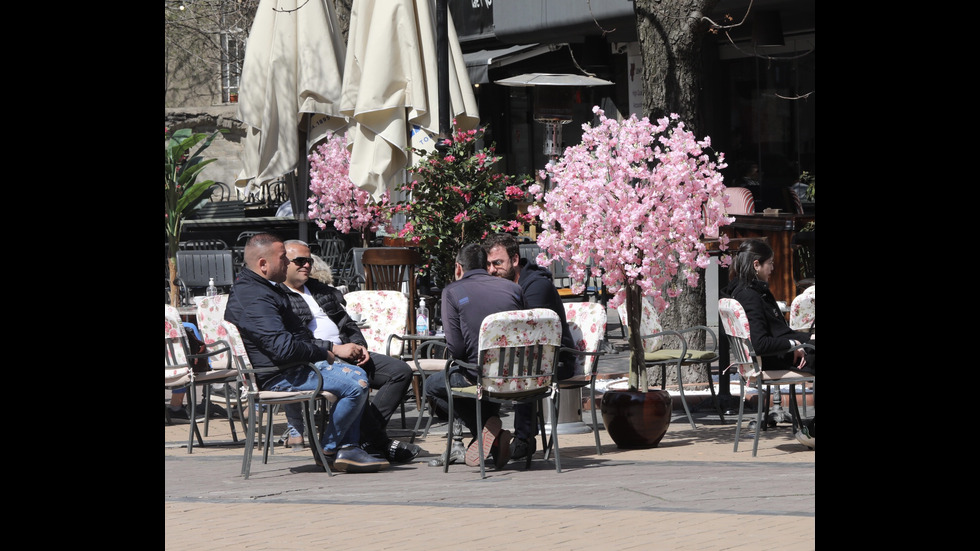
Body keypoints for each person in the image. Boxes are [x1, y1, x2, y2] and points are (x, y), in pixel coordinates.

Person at [223, 232, 389, 473]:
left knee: (356, 374)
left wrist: (326, 349)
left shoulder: (267, 289)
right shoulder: (254, 297)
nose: (287, 263)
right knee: (356, 383)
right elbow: (282, 347)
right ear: (263, 264)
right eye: (283, 258)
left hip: (293, 367)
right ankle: (331, 449)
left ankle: (349, 448)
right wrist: (326, 351)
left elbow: (299, 334)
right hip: (278, 375)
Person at [278, 240, 420, 464]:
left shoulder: (321, 290)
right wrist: (335, 350)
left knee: (400, 370)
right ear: (284, 263)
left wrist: (358, 344)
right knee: (355, 381)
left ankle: (367, 438)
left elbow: (348, 323)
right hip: (321, 359)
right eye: (300, 261)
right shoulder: (278, 297)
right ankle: (374, 441)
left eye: (309, 260)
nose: (306, 265)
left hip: (348, 352)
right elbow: (297, 340)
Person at [424, 243, 526, 468]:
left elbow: (456, 349)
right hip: (518, 374)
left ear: (458, 268)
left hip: (479, 374)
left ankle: (486, 433)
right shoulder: (513, 289)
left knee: (432, 385)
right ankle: (491, 435)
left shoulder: (452, 291)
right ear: (486, 265)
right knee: (476, 384)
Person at [483, 233, 577, 462]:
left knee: (522, 365)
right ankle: (490, 435)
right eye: (488, 265)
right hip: (522, 356)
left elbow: (527, 331)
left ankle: (524, 438)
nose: (492, 270)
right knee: (478, 370)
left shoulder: (537, 286)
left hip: (557, 359)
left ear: (515, 260)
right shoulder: (499, 285)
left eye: (497, 263)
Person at [720, 239, 815, 448]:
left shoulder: (746, 290)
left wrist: (806, 339)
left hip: (779, 353)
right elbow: (760, 344)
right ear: (756, 264)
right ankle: (813, 431)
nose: (772, 268)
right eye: (770, 263)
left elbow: (779, 332)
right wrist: (794, 345)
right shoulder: (750, 295)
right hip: (772, 360)